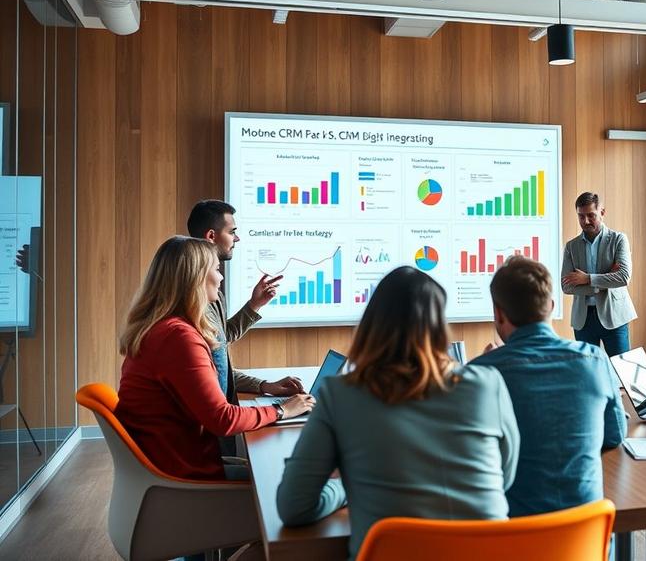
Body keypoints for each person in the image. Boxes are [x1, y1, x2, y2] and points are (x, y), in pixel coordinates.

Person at [276, 267, 519, 560]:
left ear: (371, 327)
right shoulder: (487, 384)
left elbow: (294, 506)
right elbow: (504, 478)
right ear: (440, 330)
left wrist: (342, 488)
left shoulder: (340, 395)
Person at [115, 236, 314, 481]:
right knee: (286, 479)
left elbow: (205, 380)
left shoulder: (163, 329)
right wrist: (282, 410)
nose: (221, 278)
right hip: (182, 474)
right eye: (217, 269)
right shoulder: (178, 337)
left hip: (170, 461)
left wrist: (264, 387)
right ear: (196, 277)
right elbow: (223, 420)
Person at [470, 256, 626, 517]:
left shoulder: (482, 373)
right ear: (551, 306)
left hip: (513, 540)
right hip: (585, 545)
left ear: (498, 313)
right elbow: (615, 435)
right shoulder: (594, 360)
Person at [187, 200, 301, 404]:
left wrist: (253, 305)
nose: (237, 238)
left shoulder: (213, 291)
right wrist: (281, 410)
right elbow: (211, 363)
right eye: (232, 232)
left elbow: (218, 343)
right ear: (211, 236)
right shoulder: (192, 296)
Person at [561, 191, 637, 356]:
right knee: (588, 373)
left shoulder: (618, 240)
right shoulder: (571, 247)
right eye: (581, 216)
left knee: (621, 372)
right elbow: (566, 286)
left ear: (602, 213)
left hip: (615, 316)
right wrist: (605, 281)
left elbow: (623, 277)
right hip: (583, 320)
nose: (586, 221)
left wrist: (586, 279)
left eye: (591, 215)